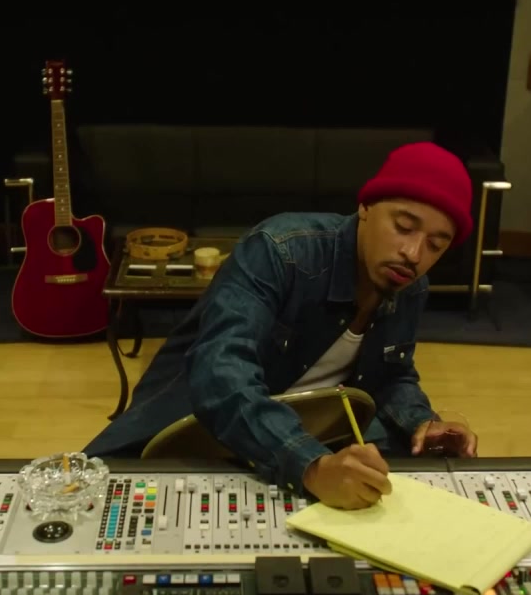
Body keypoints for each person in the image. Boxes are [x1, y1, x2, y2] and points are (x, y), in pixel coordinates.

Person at [82, 142, 479, 509]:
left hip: (314, 433)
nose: (414, 253)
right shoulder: (279, 249)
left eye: (436, 244)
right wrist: (311, 466)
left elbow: (392, 373)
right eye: (404, 227)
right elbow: (221, 372)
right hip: (198, 430)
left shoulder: (410, 286)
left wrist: (422, 422)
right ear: (366, 207)